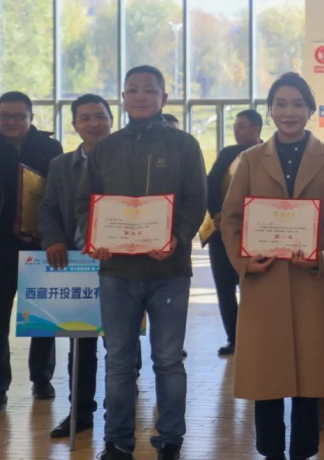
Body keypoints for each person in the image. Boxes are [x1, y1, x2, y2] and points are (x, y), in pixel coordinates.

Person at [76, 65, 207, 460]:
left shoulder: (184, 145)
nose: (140, 96)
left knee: (168, 360)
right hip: (116, 272)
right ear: (123, 98)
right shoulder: (105, 148)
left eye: (149, 90)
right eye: (132, 90)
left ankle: (170, 440)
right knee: (118, 361)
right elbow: (85, 203)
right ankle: (117, 442)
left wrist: (176, 237)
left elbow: (196, 201)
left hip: (169, 271)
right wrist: (94, 239)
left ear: (163, 97)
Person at [220, 72, 324, 460]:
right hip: (264, 281)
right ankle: (271, 451)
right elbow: (231, 219)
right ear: (271, 110)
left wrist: (320, 255)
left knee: (310, 377)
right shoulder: (249, 159)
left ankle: (304, 451)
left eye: (297, 104)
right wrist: (245, 261)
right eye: (281, 104)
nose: (289, 112)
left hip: (310, 281)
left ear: (310, 109)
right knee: (267, 376)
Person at [38, 94, 114, 438]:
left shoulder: (127, 159)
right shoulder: (60, 165)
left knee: (121, 347)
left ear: (111, 120)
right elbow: (48, 207)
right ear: (75, 125)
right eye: (85, 118)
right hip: (77, 263)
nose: (93, 123)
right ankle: (79, 414)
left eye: (100, 116)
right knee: (80, 345)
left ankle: (119, 415)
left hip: (121, 264)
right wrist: (53, 239)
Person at [0, 91, 61, 410]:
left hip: (40, 243)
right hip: (1, 245)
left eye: (17, 116)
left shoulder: (50, 148)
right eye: (4, 116)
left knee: (42, 314)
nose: (10, 122)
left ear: (31, 118)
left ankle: (41, 377)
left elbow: (59, 195)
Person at [207, 109, 263, 356]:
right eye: (235, 126)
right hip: (222, 232)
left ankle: (256, 336)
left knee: (254, 287)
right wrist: (217, 214)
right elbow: (210, 185)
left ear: (255, 128)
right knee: (225, 287)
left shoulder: (268, 154)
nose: (236, 131)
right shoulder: (228, 154)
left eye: (241, 126)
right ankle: (234, 337)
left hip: (257, 233)